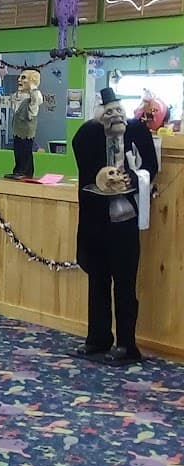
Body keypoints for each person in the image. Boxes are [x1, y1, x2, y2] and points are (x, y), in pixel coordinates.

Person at [72, 87, 158, 365]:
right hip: (97, 221)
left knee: (124, 283)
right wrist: (102, 178)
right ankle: (98, 339)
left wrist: (131, 179)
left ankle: (126, 344)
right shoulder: (87, 135)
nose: (115, 116)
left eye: (118, 111)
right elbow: (85, 168)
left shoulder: (137, 132)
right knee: (97, 281)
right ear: (99, 115)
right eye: (108, 113)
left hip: (125, 221)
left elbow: (151, 167)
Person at [9, 68, 43, 178]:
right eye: (19, 77)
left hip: (27, 129)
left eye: (23, 78)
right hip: (17, 128)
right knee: (17, 150)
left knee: (25, 150)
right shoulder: (17, 96)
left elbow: (36, 100)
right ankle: (18, 169)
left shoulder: (34, 97)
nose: (19, 80)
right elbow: (14, 101)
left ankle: (26, 171)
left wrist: (32, 87)